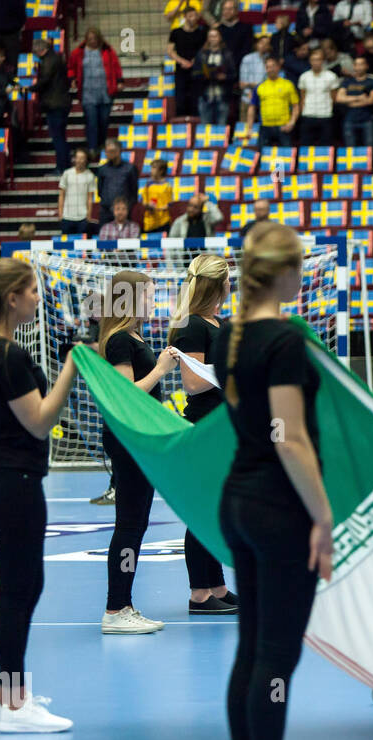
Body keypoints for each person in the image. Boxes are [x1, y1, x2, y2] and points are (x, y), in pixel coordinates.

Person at [212, 222, 334, 740]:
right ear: (284, 273)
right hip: (279, 509)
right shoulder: (283, 339)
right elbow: (290, 440)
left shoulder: (231, 340)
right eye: (300, 265)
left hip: (238, 501)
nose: (303, 274)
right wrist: (323, 516)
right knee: (276, 658)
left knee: (252, 651)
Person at [0, 259, 86, 732]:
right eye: (32, 291)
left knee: (18, 587)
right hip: (12, 482)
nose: (38, 297)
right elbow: (39, 420)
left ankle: (7, 700)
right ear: (11, 298)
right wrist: (73, 365)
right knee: (21, 589)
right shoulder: (6, 356)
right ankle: (14, 706)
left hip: (2, 479)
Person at [96, 271, 176, 635]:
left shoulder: (131, 336)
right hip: (127, 440)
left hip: (138, 440)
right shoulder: (118, 341)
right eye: (148, 294)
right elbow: (126, 395)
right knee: (129, 523)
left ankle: (123, 603)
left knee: (137, 523)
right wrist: (160, 369)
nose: (153, 300)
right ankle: (115, 608)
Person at [166, 255, 239, 614]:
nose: (232, 282)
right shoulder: (194, 325)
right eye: (228, 278)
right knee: (205, 511)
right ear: (219, 284)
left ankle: (217, 586)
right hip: (204, 424)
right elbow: (193, 383)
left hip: (220, 424)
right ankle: (199, 593)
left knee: (217, 510)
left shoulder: (214, 321)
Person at [34, 38, 72, 173]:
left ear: (40, 50)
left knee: (58, 137)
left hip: (54, 104)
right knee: (61, 136)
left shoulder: (49, 61)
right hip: (62, 102)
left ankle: (62, 167)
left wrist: (30, 88)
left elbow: (45, 81)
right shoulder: (56, 58)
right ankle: (65, 165)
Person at [168, 9, 207, 117]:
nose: (193, 18)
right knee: (180, 99)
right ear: (185, 17)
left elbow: (205, 49)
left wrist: (195, 60)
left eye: (195, 16)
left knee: (196, 99)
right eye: (190, 16)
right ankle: (181, 125)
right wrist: (182, 61)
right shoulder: (176, 32)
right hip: (181, 70)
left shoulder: (202, 32)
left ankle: (196, 126)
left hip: (197, 70)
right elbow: (170, 51)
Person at [298, 48, 340, 147]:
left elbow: (333, 97)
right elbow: (302, 97)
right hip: (308, 114)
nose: (316, 62)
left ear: (322, 61)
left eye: (318, 59)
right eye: (313, 60)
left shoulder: (331, 76)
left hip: (325, 115)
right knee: (305, 146)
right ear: (310, 61)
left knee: (325, 146)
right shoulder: (304, 77)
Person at [95, 139, 139, 231]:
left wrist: (124, 208)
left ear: (119, 151)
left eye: (111, 152)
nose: (107, 154)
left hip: (124, 212)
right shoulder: (102, 169)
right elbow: (100, 190)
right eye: (106, 152)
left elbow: (134, 191)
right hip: (106, 211)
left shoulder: (130, 169)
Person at [256, 57, 300, 148]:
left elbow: (296, 105)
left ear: (278, 67)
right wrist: (249, 128)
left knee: (286, 156)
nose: (270, 69)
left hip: (283, 126)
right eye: (268, 67)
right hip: (265, 126)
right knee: (263, 157)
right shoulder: (260, 87)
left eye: (273, 66)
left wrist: (292, 122)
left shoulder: (288, 84)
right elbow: (252, 107)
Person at [196, 27, 235, 127]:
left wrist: (224, 77)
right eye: (211, 36)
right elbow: (194, 74)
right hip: (205, 96)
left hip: (222, 96)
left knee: (221, 128)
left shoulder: (227, 54)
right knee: (206, 129)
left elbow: (233, 74)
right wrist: (204, 75)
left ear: (220, 38)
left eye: (215, 36)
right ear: (208, 38)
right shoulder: (201, 54)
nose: (213, 38)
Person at [338, 55, 373, 149]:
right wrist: (359, 97)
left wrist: (349, 101)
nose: (358, 67)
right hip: (349, 120)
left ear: (366, 66)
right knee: (350, 150)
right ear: (353, 66)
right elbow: (339, 98)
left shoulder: (372, 81)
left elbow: (370, 101)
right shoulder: (347, 81)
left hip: (367, 120)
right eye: (356, 64)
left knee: (369, 150)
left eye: (361, 64)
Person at [58, 148, 97, 236]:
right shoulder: (66, 173)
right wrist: (60, 213)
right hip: (66, 216)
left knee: (82, 246)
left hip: (82, 217)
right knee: (66, 246)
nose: (79, 160)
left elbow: (90, 198)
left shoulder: (90, 176)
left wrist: (89, 215)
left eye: (82, 158)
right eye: (78, 158)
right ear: (74, 159)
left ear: (86, 160)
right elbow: (61, 195)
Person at [238, 36, 269, 134]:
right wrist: (255, 87)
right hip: (248, 97)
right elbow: (242, 84)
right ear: (256, 44)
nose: (264, 46)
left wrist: (252, 85)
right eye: (261, 43)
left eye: (267, 43)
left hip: (266, 99)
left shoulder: (270, 60)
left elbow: (271, 82)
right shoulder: (247, 59)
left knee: (263, 131)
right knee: (244, 130)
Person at [142, 159, 174, 234]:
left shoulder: (167, 186)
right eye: (151, 168)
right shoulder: (148, 185)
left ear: (161, 170)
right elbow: (144, 201)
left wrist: (159, 208)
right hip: (149, 222)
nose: (151, 170)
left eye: (154, 168)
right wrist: (148, 205)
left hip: (163, 221)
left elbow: (170, 204)